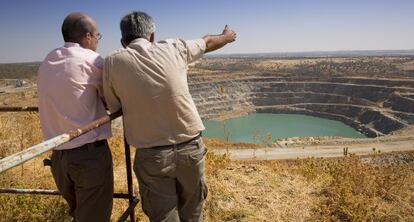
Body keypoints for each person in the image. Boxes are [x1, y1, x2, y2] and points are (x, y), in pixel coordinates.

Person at [103, 11, 236, 222]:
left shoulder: (112, 62)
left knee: (164, 216)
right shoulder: (174, 47)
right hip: (190, 148)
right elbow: (208, 42)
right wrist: (227, 36)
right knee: (193, 210)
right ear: (152, 36)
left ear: (123, 40)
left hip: (152, 155)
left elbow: (113, 104)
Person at [37, 12, 113, 222]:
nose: (98, 41)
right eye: (98, 36)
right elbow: (111, 101)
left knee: (79, 214)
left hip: (58, 157)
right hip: (88, 157)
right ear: (87, 36)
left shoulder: (47, 60)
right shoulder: (93, 60)